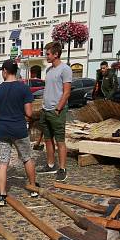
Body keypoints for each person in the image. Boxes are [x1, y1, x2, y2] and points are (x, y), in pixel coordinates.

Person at [0, 59, 39, 206]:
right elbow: (29, 113)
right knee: (27, 158)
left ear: (5, 71)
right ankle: (33, 188)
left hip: (3, 130)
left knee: (3, 162)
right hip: (19, 129)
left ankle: (2, 195)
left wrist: (4, 117)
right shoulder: (24, 89)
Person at [36, 41, 72, 181]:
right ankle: (51, 165)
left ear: (56, 54)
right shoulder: (49, 70)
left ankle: (62, 168)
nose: (46, 56)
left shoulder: (65, 69)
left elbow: (67, 92)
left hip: (57, 110)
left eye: (48, 53)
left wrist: (58, 108)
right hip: (46, 110)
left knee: (60, 141)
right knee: (48, 140)